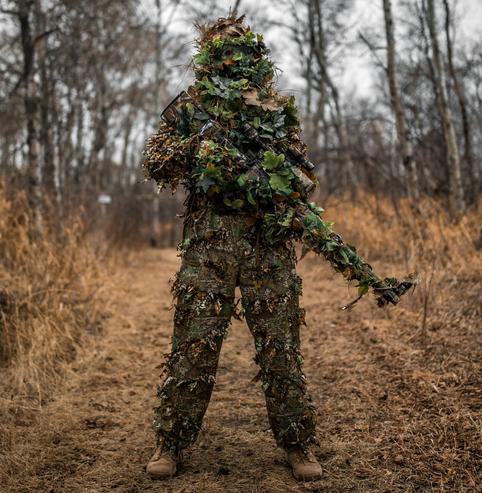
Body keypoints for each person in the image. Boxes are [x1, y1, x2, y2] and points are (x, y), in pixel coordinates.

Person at [143, 12, 411, 482]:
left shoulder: (274, 110)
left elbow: (297, 177)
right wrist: (200, 151)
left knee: (281, 350)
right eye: (224, 48)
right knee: (193, 348)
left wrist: (273, 190)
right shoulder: (191, 107)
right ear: (209, 54)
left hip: (269, 245)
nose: (234, 57)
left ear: (254, 55)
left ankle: (299, 444)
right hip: (210, 244)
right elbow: (156, 159)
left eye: (241, 48)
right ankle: (171, 442)